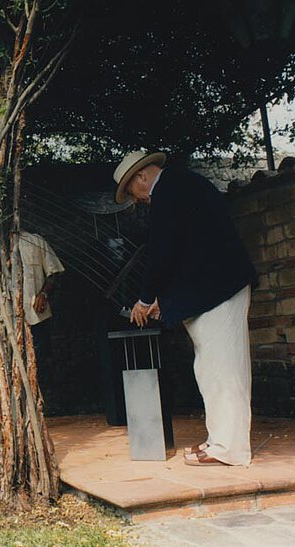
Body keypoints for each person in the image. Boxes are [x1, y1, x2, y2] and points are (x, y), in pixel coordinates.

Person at [113, 150, 257, 467]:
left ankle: (228, 448)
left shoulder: (170, 190)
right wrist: (166, 299)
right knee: (212, 367)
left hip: (220, 288)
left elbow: (163, 250)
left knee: (223, 368)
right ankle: (220, 441)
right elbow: (189, 251)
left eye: (130, 191)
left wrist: (147, 298)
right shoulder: (180, 186)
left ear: (141, 176)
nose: (134, 199)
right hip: (214, 286)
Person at [18, 231, 65, 371]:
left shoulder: (35, 240)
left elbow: (54, 272)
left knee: (41, 360)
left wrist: (43, 294)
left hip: (36, 315)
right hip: (9, 318)